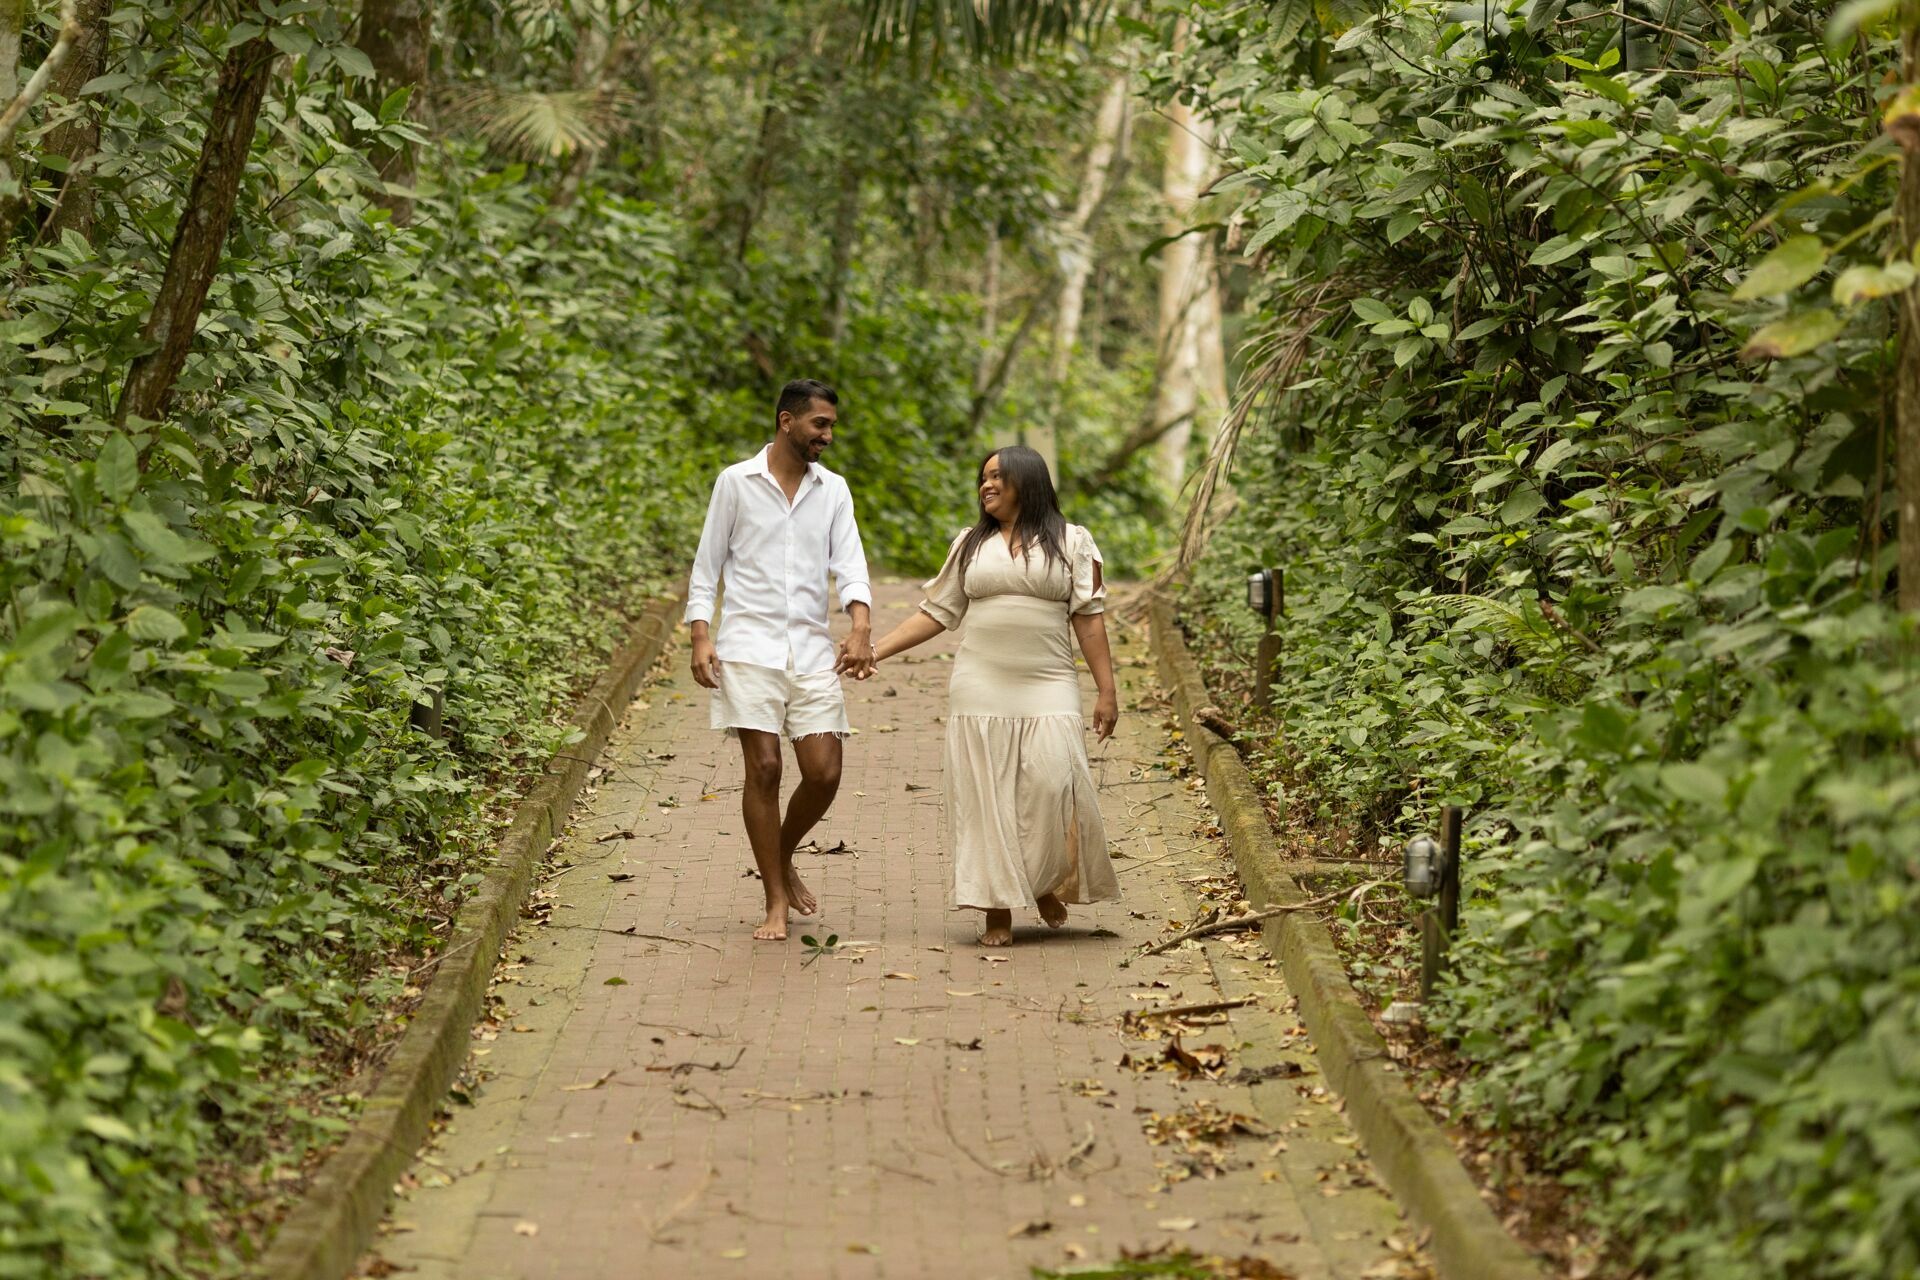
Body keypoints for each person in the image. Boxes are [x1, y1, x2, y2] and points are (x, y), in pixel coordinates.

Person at [871, 446, 1120, 946]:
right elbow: (936, 612)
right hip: (980, 684)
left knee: (1053, 784)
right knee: (987, 798)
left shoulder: (1072, 541)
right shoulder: (969, 544)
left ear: (1027, 484)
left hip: (1048, 681)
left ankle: (1043, 879)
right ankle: (997, 910)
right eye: (983, 478)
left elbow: (1088, 621)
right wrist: (876, 651)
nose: (987, 486)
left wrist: (1106, 690)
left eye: (998, 477)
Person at [684, 379, 875, 941]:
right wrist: (701, 635)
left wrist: (860, 626)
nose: (828, 436)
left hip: (812, 648)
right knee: (764, 769)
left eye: (832, 426)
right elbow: (706, 565)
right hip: (747, 644)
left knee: (824, 772)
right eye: (820, 425)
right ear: (787, 421)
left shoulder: (833, 489)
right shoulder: (735, 483)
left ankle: (782, 853)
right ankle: (774, 897)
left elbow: (852, 564)